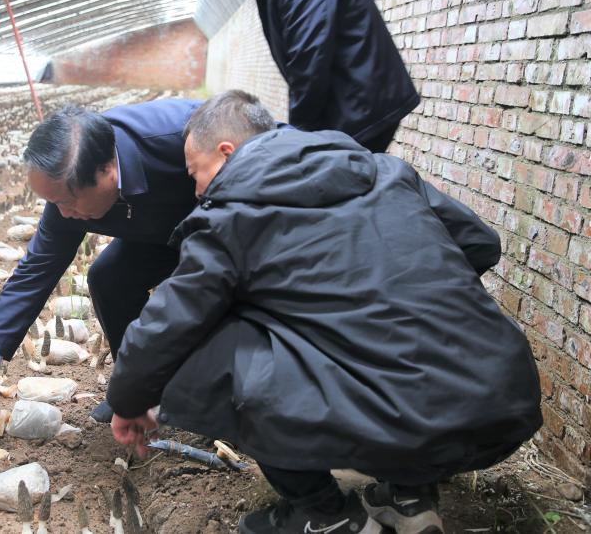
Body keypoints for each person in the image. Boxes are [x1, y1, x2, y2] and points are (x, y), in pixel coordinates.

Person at [107, 90, 542, 534]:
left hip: (400, 414)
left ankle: (323, 514)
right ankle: (410, 495)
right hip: (499, 401)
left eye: (195, 173)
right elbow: (480, 243)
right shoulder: (386, 171)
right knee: (397, 342)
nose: (197, 190)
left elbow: (169, 323)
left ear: (227, 152)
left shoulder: (229, 215)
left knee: (206, 344)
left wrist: (128, 400)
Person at [0, 98, 204, 434]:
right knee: (110, 279)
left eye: (67, 201)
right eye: (53, 203)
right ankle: (138, 386)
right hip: (157, 228)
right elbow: (35, 271)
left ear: (108, 171)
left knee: (203, 299)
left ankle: (215, 403)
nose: (62, 213)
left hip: (215, 226)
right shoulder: (69, 187)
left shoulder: (181, 140)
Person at [201, 0, 420, 153]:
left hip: (361, 110)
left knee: (337, 176)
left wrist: (299, 141)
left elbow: (308, 62)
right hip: (352, 105)